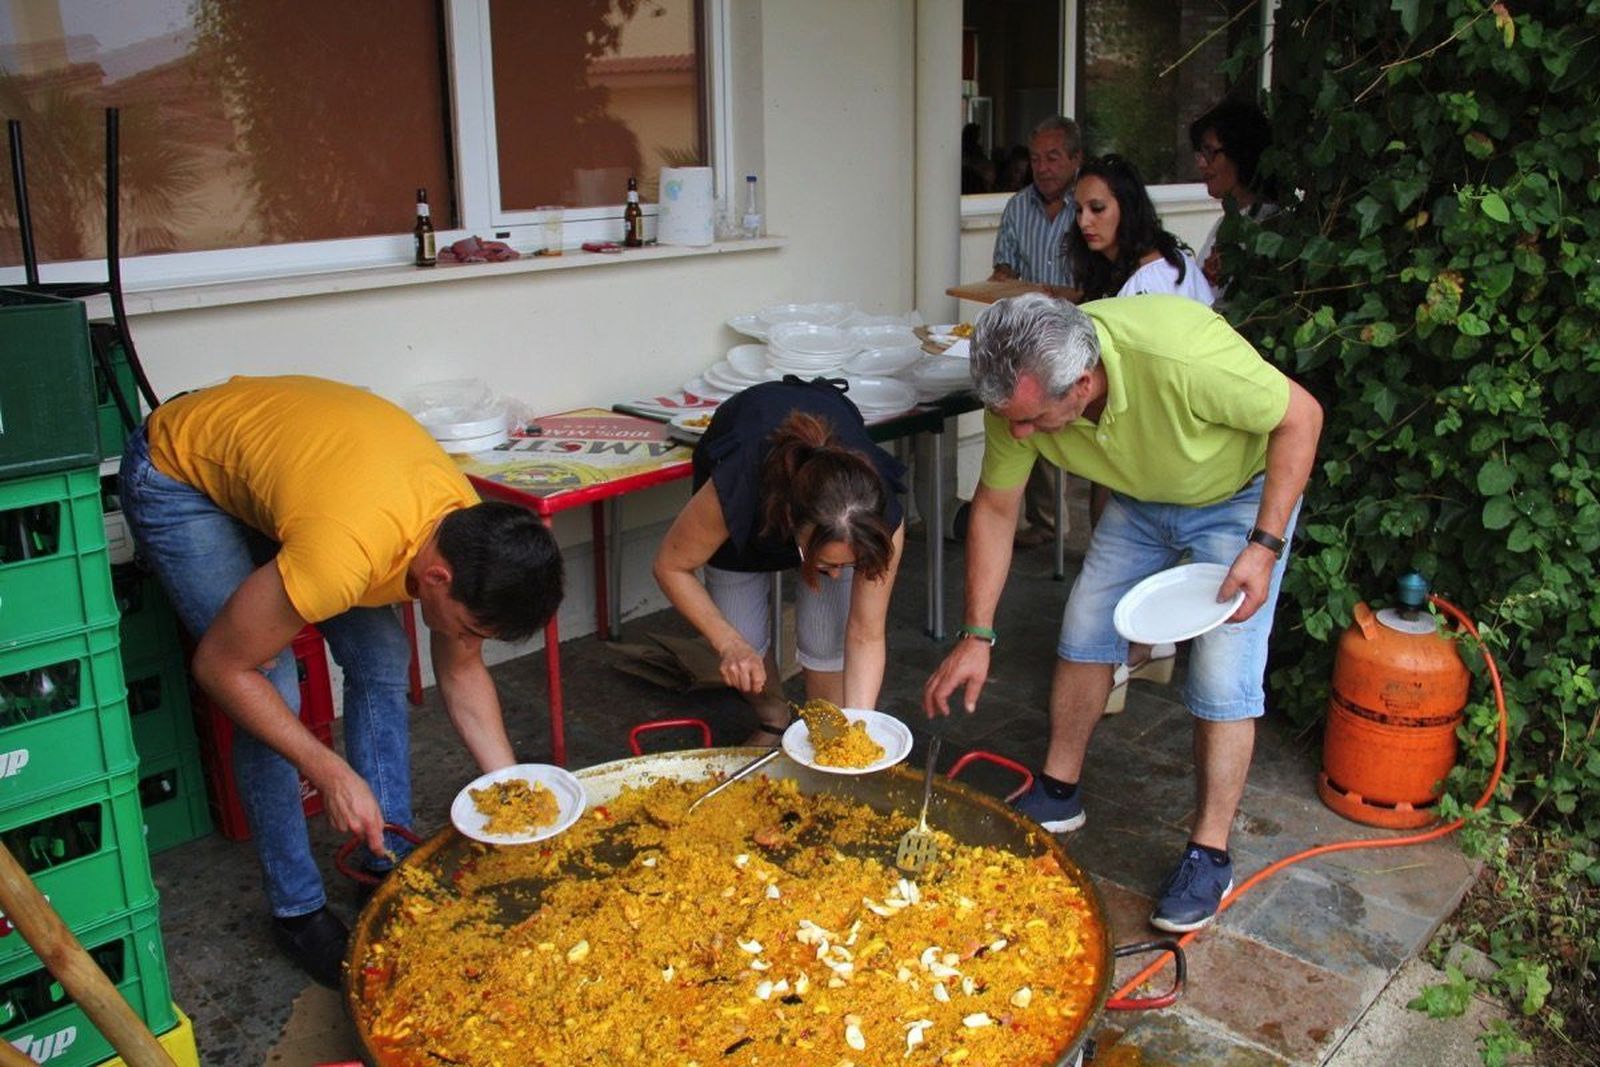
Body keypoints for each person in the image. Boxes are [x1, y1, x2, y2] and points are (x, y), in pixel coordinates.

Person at [119, 375, 565, 988]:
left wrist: (514, 794)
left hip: (307, 477)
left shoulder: (465, 526)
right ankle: (296, 911)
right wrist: (330, 771)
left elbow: (461, 667)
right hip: (180, 470)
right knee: (271, 687)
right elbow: (221, 669)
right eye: (469, 626)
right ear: (435, 579)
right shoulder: (346, 551)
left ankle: (380, 858)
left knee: (381, 655)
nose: (469, 643)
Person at [922, 293, 1322, 933]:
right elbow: (996, 511)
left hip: (1238, 499)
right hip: (1140, 498)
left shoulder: (1179, 356)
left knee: (1222, 676)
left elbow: (1302, 417)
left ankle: (1209, 851)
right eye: (1008, 419)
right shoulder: (1017, 396)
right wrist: (976, 635)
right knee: (1085, 627)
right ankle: (1059, 790)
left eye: (1030, 420)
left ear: (1082, 385)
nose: (1016, 433)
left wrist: (1264, 545)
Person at [653, 378, 905, 738]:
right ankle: (773, 718)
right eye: (826, 565)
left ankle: (824, 731)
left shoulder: (878, 517)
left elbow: (866, 634)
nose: (836, 577)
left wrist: (856, 732)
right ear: (791, 522)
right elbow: (670, 566)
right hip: (751, 496)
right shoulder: (737, 486)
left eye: (845, 566)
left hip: (827, 508)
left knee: (826, 637)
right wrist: (729, 643)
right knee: (745, 642)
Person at [989, 115, 1085, 546]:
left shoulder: (1088, 208)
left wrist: (1055, 293)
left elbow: (1099, 280)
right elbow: (1002, 267)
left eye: (1053, 157)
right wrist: (1006, 278)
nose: (1042, 167)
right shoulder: (1017, 207)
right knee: (1022, 421)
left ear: (1075, 159)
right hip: (1025, 335)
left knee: (1061, 426)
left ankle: (1058, 528)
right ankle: (1036, 525)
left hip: (1075, 336)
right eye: (1035, 158)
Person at [1066, 154, 1214, 306]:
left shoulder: (1155, 277)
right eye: (1078, 210)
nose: (1084, 222)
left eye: (1097, 208)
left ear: (1127, 208)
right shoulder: (1117, 269)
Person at [1189, 98, 1278, 290]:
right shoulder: (1227, 222)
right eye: (1201, 153)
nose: (1202, 163)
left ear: (1241, 153)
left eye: (1210, 152)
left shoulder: (1268, 226)